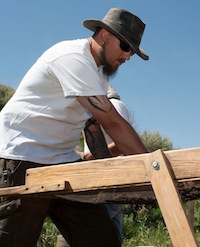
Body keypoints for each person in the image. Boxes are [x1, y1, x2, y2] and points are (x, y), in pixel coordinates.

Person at [0, 8, 149, 247]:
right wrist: (153, 166)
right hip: (22, 158)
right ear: (103, 35)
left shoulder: (98, 76)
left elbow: (92, 130)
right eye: (125, 46)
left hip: (62, 164)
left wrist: (109, 176)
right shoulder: (72, 57)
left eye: (131, 50)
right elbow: (113, 122)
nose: (128, 56)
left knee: (102, 239)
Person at [55, 85, 131, 246]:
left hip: (108, 178)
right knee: (111, 228)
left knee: (79, 225)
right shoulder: (93, 111)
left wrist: (92, 156)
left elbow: (121, 144)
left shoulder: (113, 106)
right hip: (114, 178)